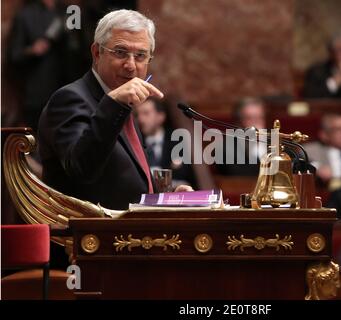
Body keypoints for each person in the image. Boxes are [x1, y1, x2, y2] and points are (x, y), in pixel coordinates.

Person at [38, 9, 192, 212]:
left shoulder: (122, 104)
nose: (130, 65)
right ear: (96, 52)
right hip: (89, 238)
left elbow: (123, 181)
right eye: (120, 52)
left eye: (140, 56)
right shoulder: (70, 99)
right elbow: (82, 169)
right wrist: (112, 103)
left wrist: (167, 197)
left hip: (128, 235)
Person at [8, 0, 67, 130]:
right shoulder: (25, 15)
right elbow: (15, 55)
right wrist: (33, 50)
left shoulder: (68, 12)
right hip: (38, 95)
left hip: (67, 91)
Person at [135, 97, 198, 189]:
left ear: (161, 117)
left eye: (146, 113)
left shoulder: (177, 139)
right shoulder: (136, 141)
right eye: (138, 115)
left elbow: (182, 174)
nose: (140, 119)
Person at [216, 97, 267, 176]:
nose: (256, 124)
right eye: (250, 119)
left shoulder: (273, 144)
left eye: (259, 118)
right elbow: (239, 176)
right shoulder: (225, 148)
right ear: (238, 123)